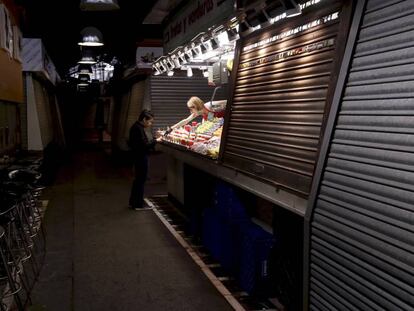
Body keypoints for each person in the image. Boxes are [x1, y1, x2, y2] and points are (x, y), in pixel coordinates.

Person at [128, 110, 161, 210]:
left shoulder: (137, 127)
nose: (150, 124)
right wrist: (156, 140)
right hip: (140, 157)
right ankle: (138, 205)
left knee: (138, 180)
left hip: (138, 156)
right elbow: (145, 146)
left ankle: (134, 202)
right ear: (144, 119)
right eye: (150, 122)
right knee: (140, 180)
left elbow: (143, 143)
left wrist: (155, 137)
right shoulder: (138, 129)